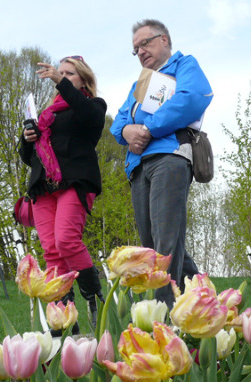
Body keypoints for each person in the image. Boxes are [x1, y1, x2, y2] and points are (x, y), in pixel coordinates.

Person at [110, 19, 212, 307]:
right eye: (135, 49)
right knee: (152, 245)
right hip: (138, 166)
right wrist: (127, 131)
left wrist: (148, 128)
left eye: (145, 43)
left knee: (166, 244)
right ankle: (206, 303)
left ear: (164, 40)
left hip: (169, 157)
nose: (140, 51)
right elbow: (118, 123)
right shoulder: (139, 84)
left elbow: (194, 98)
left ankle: (165, 314)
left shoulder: (183, 66)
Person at [18, 56, 106, 330]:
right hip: (43, 187)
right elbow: (28, 157)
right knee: (52, 251)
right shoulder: (46, 114)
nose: (63, 76)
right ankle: (64, 319)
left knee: (67, 239)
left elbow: (89, 119)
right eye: (61, 73)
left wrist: (59, 81)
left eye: (69, 73)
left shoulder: (92, 105)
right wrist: (27, 137)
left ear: (84, 80)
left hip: (73, 181)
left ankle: (94, 299)